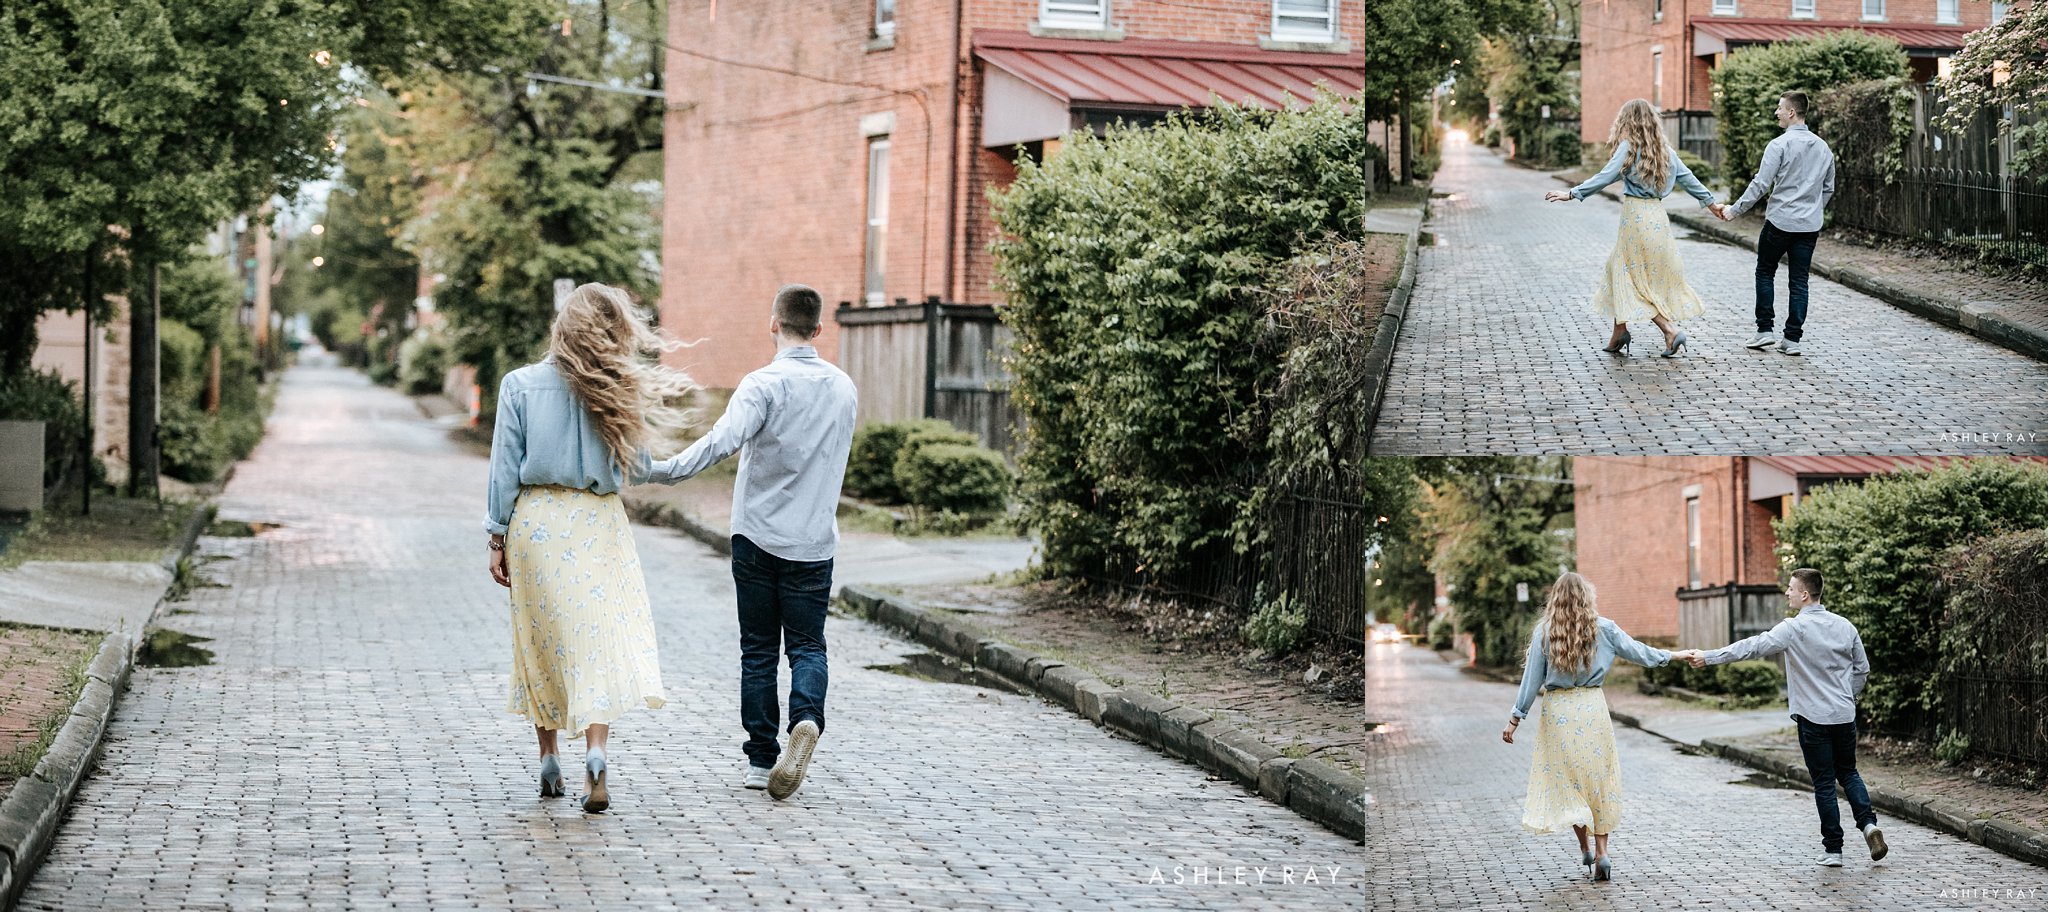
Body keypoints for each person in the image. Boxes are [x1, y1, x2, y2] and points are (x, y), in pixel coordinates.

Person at [485, 282, 695, 814]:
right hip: (597, 523)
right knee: (596, 643)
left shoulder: (520, 385)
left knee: (542, 641)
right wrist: (689, 465)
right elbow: (642, 467)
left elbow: (504, 470)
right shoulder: (615, 390)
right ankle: (597, 753)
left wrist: (496, 535)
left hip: (536, 523)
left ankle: (549, 759)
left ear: (562, 326)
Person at [648, 284, 857, 801]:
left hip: (758, 537)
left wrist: (667, 471)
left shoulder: (762, 384)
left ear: (773, 324)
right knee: (808, 645)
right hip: (813, 541)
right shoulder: (843, 388)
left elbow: (722, 441)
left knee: (759, 650)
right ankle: (805, 718)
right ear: (819, 329)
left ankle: (762, 760)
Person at [1684, 568, 1885, 866]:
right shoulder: (1845, 626)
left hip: (1813, 719)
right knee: (1849, 772)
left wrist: (1709, 656)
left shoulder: (1793, 628)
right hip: (1844, 716)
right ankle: (1868, 824)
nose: (1787, 593)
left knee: (1825, 783)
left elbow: (1751, 646)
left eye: (1791, 588)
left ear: (1805, 594)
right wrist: (1848, 698)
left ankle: (1833, 851)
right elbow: (1862, 669)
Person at [1503, 572, 1679, 882]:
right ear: (1587, 597)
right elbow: (1641, 653)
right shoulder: (1605, 628)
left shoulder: (1545, 632)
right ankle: (1602, 853)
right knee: (1598, 782)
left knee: (1569, 784)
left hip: (1558, 713)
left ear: (1555, 598)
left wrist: (1515, 719)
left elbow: (1531, 681)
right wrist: (1673, 656)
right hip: (1592, 709)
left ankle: (1583, 846)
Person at [1545, 99, 1729, 358]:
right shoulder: (1665, 151)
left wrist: (1572, 194)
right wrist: (1712, 205)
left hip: (1635, 220)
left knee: (1631, 278)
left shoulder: (1629, 148)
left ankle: (1669, 330)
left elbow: (1605, 176)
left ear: (1627, 121)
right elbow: (1690, 179)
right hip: (1658, 219)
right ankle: (1618, 333)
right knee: (1620, 271)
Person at [1722, 91, 1836, 357]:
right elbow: (1829, 188)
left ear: (1792, 113)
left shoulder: (1779, 145)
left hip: (1780, 222)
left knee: (1765, 272)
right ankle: (1792, 340)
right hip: (1809, 226)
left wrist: (1734, 211)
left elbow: (1761, 184)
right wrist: (1814, 210)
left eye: (1780, 108)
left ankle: (1764, 331)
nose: (1776, 112)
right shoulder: (1823, 147)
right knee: (1799, 281)